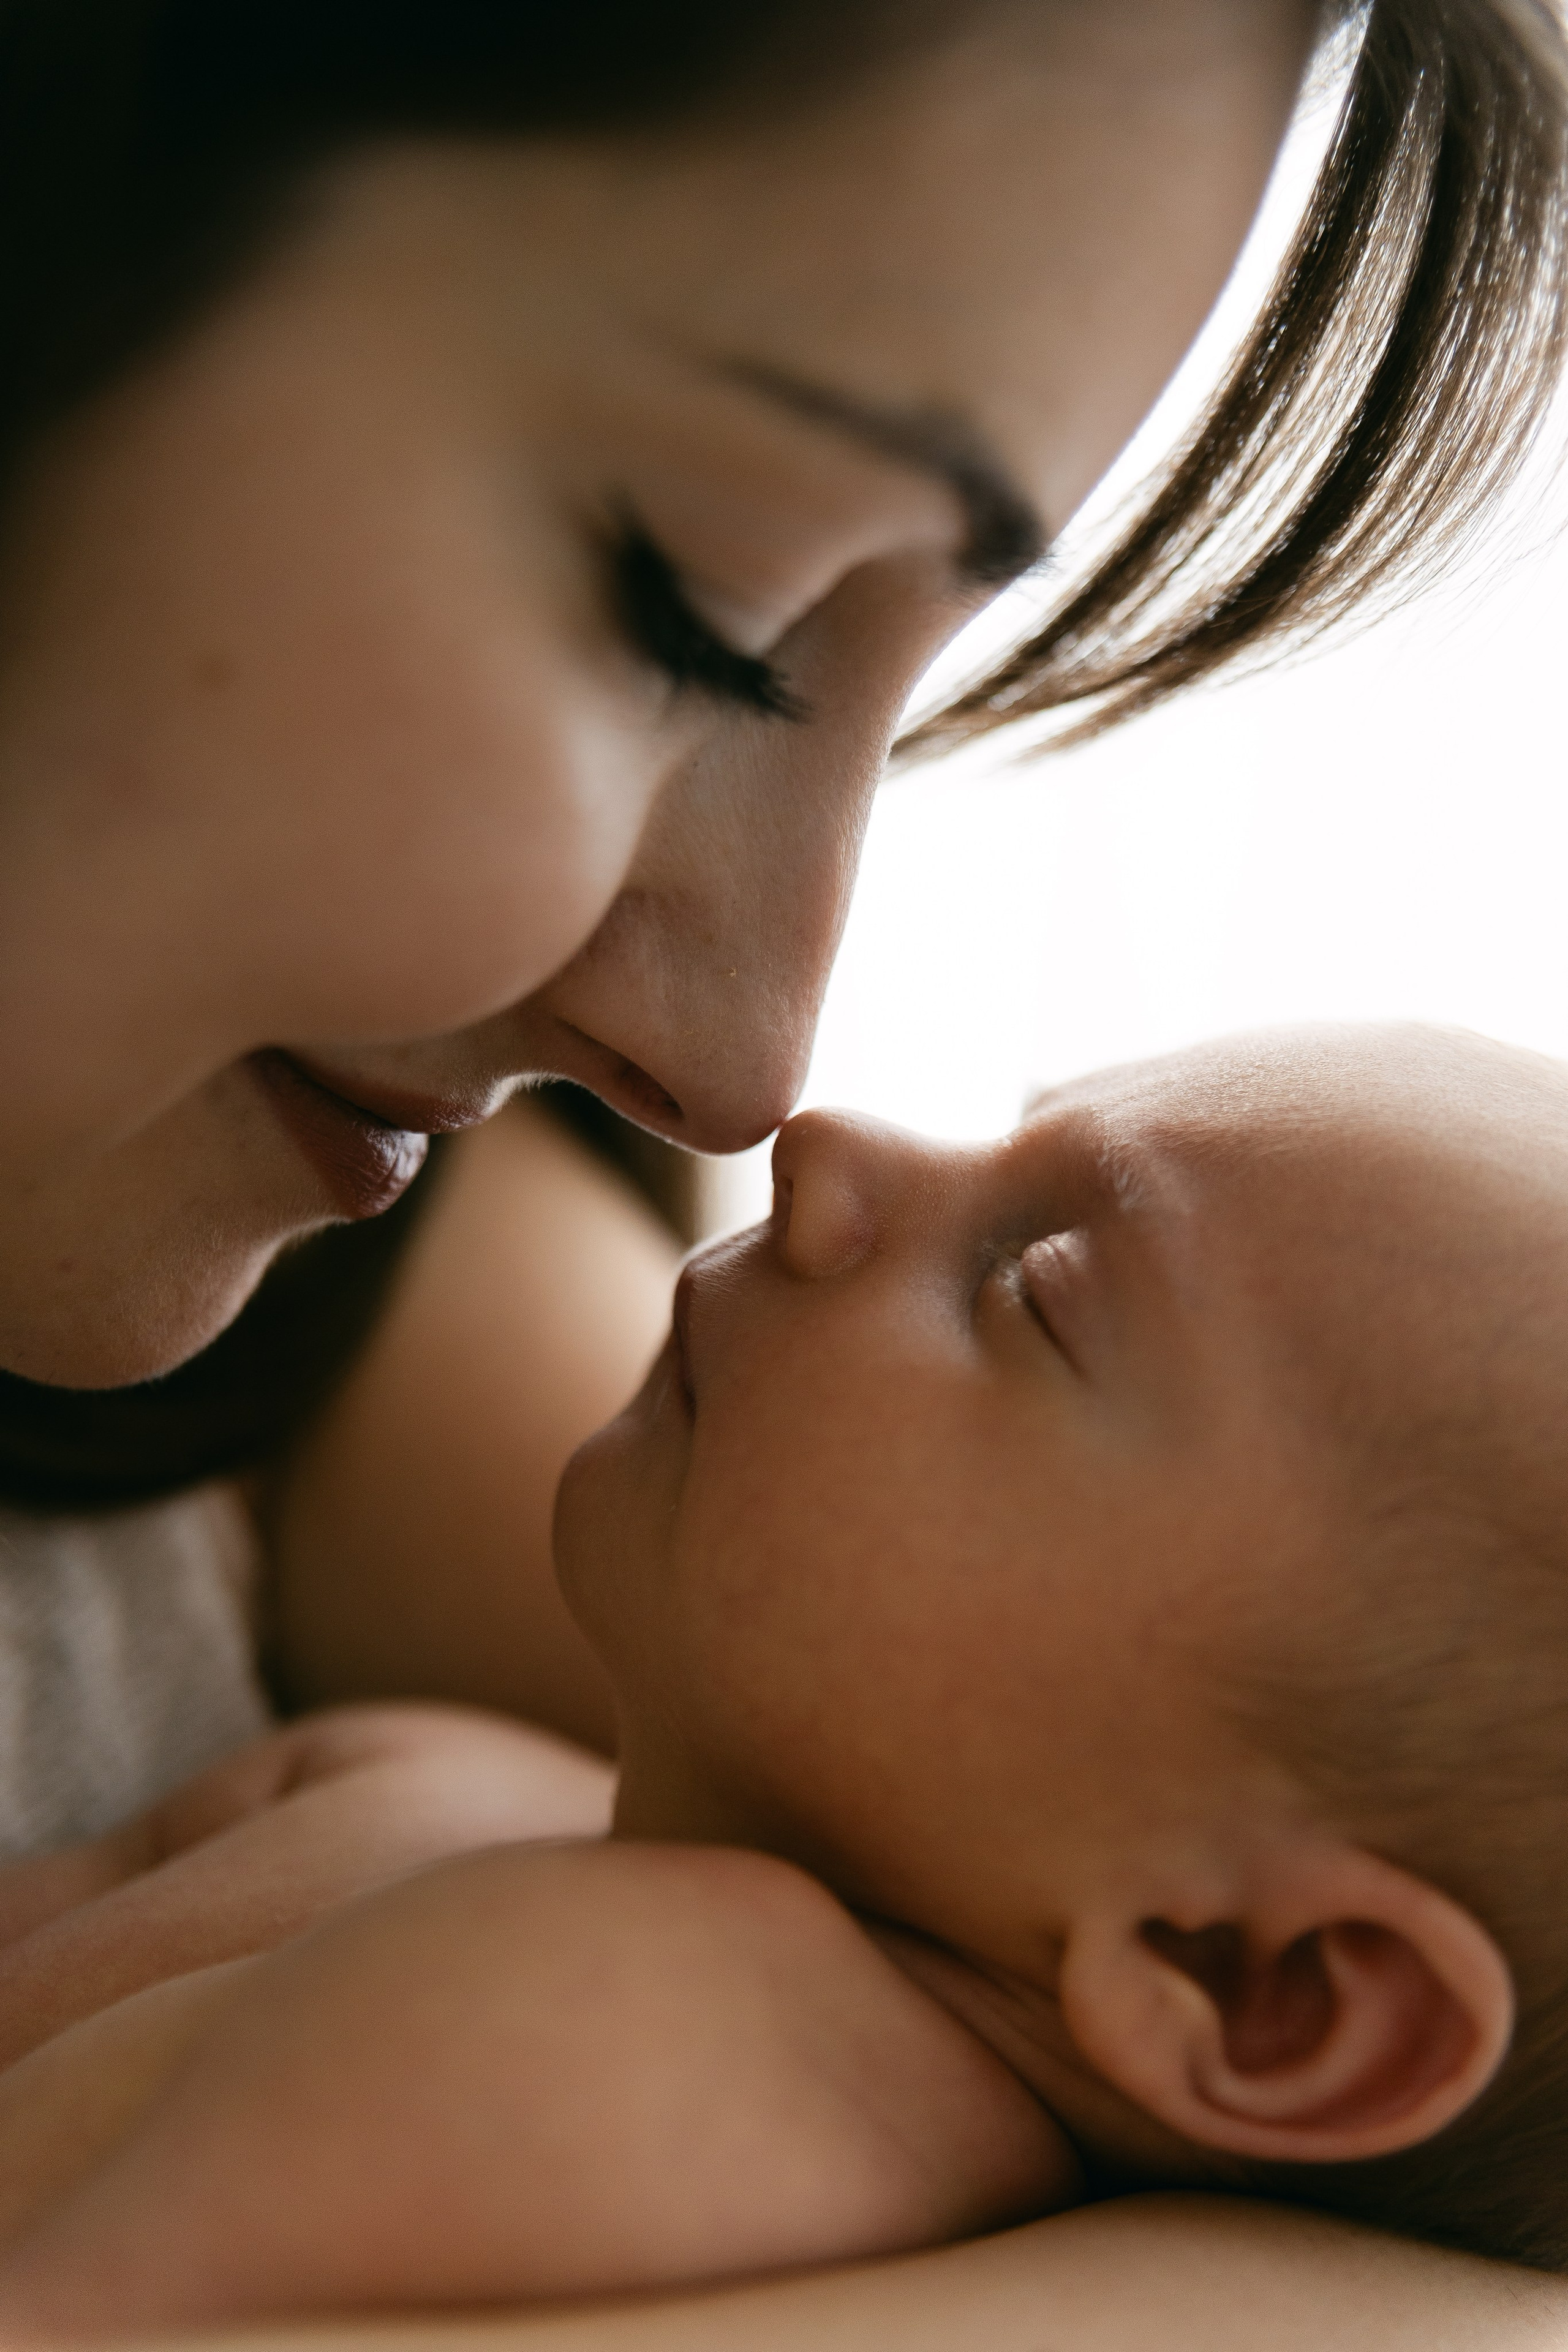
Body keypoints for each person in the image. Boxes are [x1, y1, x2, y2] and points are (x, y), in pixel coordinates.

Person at [1, 1, 1566, 2344]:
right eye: (704, 614)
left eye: (1041, 1297)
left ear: (1258, 1988)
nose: (759, 1090)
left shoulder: (379, 1375)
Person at [3, 1024, 1568, 2336]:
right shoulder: (460, 1789)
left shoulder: (650, 2089)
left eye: (1030, 1290)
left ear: (1252, 1982)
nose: (822, 1140)